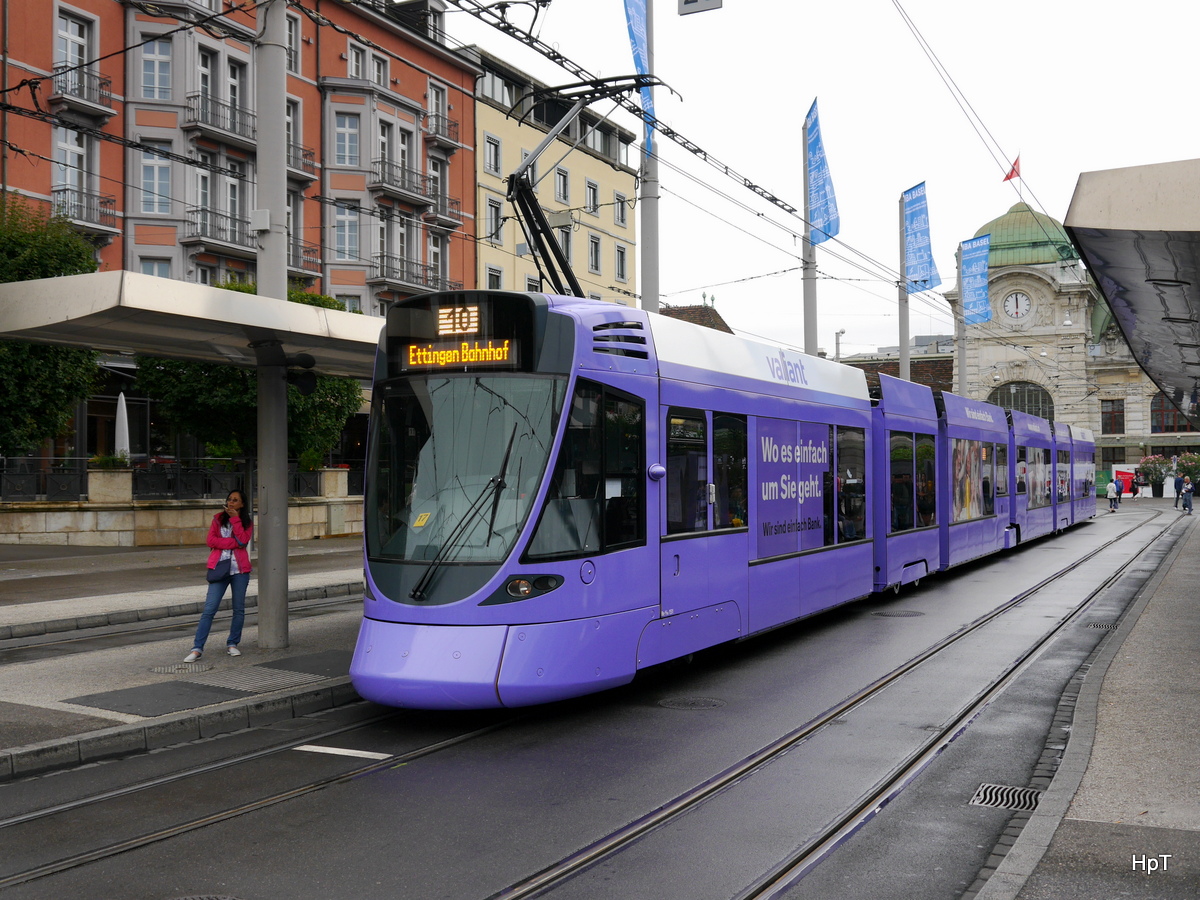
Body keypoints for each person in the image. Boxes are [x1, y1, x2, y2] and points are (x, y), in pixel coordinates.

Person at [184, 490, 253, 661]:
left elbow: (243, 540)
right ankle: (197, 648)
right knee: (209, 609)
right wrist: (233, 543)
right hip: (219, 568)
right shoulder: (217, 519)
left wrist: (235, 519)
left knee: (238, 610)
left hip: (240, 570)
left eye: (235, 500)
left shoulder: (246, 522)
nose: (231, 503)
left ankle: (232, 644)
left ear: (242, 504)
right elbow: (211, 541)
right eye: (229, 499)